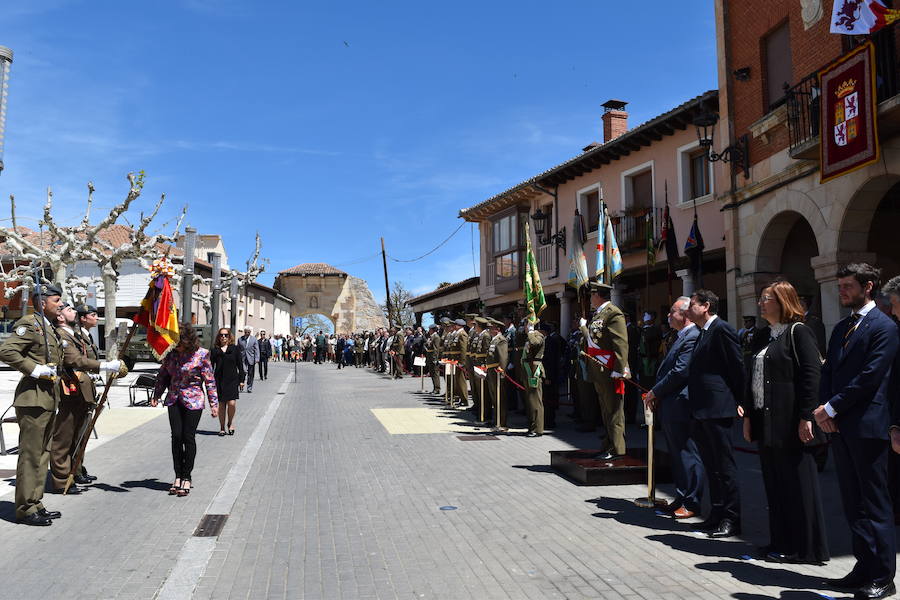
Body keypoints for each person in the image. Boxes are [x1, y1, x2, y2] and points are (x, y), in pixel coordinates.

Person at [814, 264, 898, 599]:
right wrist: (824, 410)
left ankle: (883, 576)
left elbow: (870, 376)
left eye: (848, 286)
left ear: (869, 286)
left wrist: (831, 407)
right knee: (852, 503)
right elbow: (829, 372)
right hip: (841, 426)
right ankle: (863, 567)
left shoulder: (884, 326)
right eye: (840, 286)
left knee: (875, 502)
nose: (842, 291)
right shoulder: (842, 327)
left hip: (868, 426)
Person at [743, 281, 829, 565]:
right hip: (765, 423)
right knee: (774, 485)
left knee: (797, 486)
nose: (760, 303)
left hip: (791, 423)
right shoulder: (763, 335)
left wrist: (807, 416)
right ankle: (780, 541)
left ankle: (805, 547)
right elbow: (751, 378)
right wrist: (747, 418)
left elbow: (811, 376)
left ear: (783, 302)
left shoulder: (799, 332)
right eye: (761, 298)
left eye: (766, 298)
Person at [0, 283, 66, 525]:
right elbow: (7, 351)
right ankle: (25, 508)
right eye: (56, 300)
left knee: (42, 453)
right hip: (33, 399)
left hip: (47, 398)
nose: (60, 304)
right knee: (30, 455)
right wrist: (34, 370)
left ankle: (35, 502)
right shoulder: (30, 324)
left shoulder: (48, 327)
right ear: (42, 302)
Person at [686, 289, 745, 539]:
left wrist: (742, 401)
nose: (688, 309)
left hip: (718, 407)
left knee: (724, 466)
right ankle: (716, 513)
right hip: (702, 409)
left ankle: (732, 518)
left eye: (692, 304)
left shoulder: (722, 329)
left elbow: (737, 366)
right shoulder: (703, 332)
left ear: (706, 306)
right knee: (711, 465)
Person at [49, 303, 120, 493]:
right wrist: (104, 366)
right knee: (64, 438)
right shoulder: (62, 335)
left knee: (77, 435)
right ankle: (62, 480)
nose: (75, 313)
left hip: (82, 389)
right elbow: (75, 360)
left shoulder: (74, 334)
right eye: (70, 310)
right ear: (61, 317)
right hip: (70, 391)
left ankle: (74, 470)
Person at [643, 297, 703, 520]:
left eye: (672, 312)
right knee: (677, 454)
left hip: (681, 402)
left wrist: (655, 391)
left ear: (685, 315)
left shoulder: (692, 336)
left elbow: (680, 371)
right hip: (672, 403)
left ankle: (692, 501)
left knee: (688, 453)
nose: (668, 316)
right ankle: (681, 496)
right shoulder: (679, 336)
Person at [152, 323, 219, 497]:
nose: (177, 347)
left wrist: (214, 404)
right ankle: (177, 475)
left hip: (194, 400)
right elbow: (163, 375)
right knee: (176, 436)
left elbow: (209, 381)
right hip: (174, 399)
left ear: (188, 341)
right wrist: (156, 394)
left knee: (188, 437)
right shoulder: (171, 354)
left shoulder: (202, 355)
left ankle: (187, 477)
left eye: (179, 343)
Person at [579, 281, 630, 460]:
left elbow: (621, 344)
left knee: (614, 411)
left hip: (609, 369)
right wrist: (584, 327)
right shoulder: (598, 314)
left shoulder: (613, 313)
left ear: (597, 295)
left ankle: (617, 448)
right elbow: (594, 341)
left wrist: (619, 368)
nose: (590, 299)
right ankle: (608, 444)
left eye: (592, 295)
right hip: (599, 369)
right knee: (605, 410)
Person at [211, 327, 244, 437]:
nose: (223, 337)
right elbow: (210, 367)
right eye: (221, 335)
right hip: (219, 380)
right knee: (221, 405)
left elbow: (240, 366)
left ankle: (230, 423)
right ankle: (222, 427)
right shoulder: (215, 350)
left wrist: (242, 380)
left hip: (232, 380)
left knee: (231, 403)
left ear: (229, 337)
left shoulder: (235, 349)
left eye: (226, 335)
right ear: (218, 337)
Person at [521, 320, 546, 437]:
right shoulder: (529, 336)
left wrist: (531, 331)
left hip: (534, 370)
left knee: (536, 400)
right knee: (530, 400)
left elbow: (535, 343)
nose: (524, 327)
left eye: (526, 325)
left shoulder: (538, 336)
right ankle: (532, 426)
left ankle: (538, 429)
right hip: (528, 369)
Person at [485, 319, 509, 432]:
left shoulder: (501, 340)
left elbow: (503, 357)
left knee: (500, 398)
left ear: (497, 329)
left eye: (491, 328)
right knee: (494, 397)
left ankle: (502, 423)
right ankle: (497, 420)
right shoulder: (493, 340)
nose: (489, 330)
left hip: (496, 372)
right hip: (491, 371)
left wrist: (502, 371)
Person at [238, 327, 259, 392]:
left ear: (250, 332)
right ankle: (241, 384)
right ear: (244, 332)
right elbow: (238, 349)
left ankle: (249, 388)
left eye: (248, 332)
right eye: (246, 332)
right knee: (243, 372)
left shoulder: (254, 339)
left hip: (251, 358)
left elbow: (257, 349)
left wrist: (257, 358)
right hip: (242, 358)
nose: (247, 333)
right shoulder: (240, 339)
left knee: (251, 374)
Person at [425, 324, 442, 395]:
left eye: (430, 329)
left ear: (433, 330)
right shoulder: (431, 337)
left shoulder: (436, 337)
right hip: (429, 356)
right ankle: (434, 387)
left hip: (433, 357)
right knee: (432, 373)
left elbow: (436, 349)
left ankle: (437, 388)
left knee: (435, 373)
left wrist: (435, 358)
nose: (429, 331)